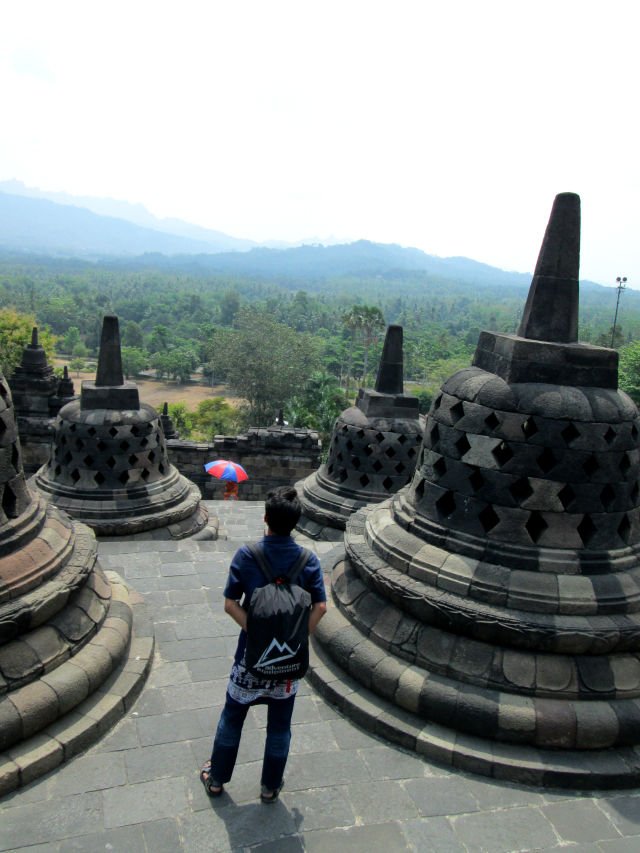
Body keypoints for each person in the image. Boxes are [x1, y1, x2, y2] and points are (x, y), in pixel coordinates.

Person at [200, 486, 327, 802]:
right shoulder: (308, 561)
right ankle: (270, 787)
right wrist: (294, 637)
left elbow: (230, 603)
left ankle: (216, 780)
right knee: (280, 726)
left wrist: (257, 633)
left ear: (266, 518)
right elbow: (321, 607)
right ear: (294, 523)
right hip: (288, 662)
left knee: (233, 716)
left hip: (250, 659)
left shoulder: (247, 555)